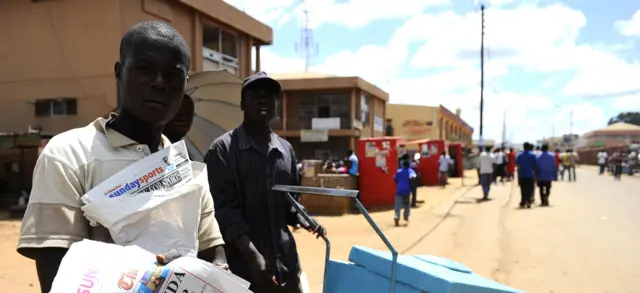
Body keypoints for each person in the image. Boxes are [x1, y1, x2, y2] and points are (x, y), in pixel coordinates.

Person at [17, 21, 226, 293]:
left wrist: (193, 272)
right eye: (144, 69)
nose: (159, 83)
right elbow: (57, 276)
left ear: (185, 84)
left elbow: (216, 258)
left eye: (173, 75)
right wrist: (152, 277)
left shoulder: (186, 169)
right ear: (119, 72)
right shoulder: (69, 154)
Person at [206, 71, 325, 293]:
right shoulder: (222, 150)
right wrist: (252, 255)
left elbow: (290, 203)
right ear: (242, 103)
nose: (263, 100)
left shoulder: (285, 150)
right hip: (245, 272)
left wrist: (304, 218)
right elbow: (224, 212)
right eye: (255, 94)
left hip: (287, 268)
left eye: (270, 96)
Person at [393, 154, 417, 226]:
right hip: (407, 191)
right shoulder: (410, 171)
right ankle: (406, 216)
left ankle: (396, 216)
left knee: (398, 205)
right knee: (406, 205)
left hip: (399, 190)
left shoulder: (399, 171)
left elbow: (395, 179)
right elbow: (413, 176)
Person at [516, 142, 537, 208]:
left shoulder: (519, 155)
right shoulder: (532, 155)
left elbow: (517, 164)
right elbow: (535, 164)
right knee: (530, 188)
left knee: (523, 189)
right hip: (530, 174)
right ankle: (528, 201)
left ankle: (523, 201)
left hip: (522, 174)